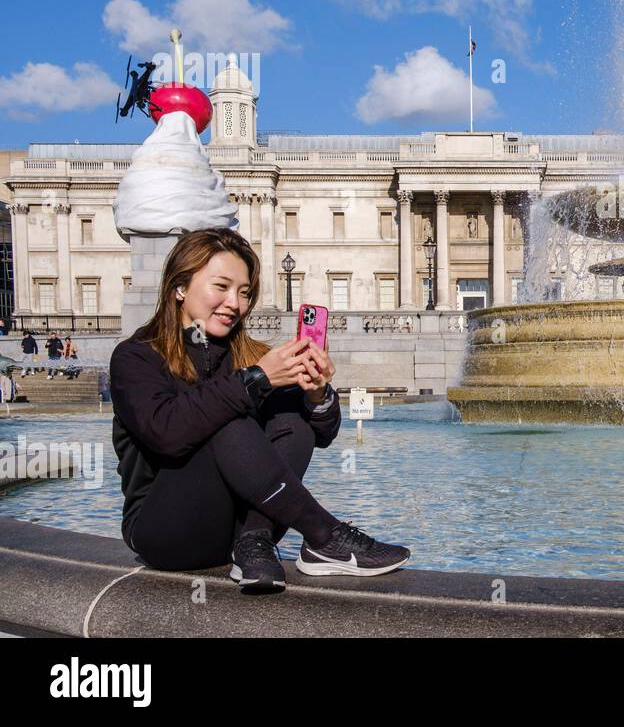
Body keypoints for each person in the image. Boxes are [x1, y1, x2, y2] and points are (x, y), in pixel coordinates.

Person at [110, 227, 410, 593]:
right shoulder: (136, 356)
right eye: (221, 287)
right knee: (225, 417)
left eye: (244, 292)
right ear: (180, 286)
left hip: (242, 536)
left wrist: (317, 394)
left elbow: (318, 435)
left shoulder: (253, 358)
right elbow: (165, 432)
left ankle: (254, 540)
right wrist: (256, 380)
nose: (235, 303)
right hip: (165, 529)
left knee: (291, 420)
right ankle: (323, 533)